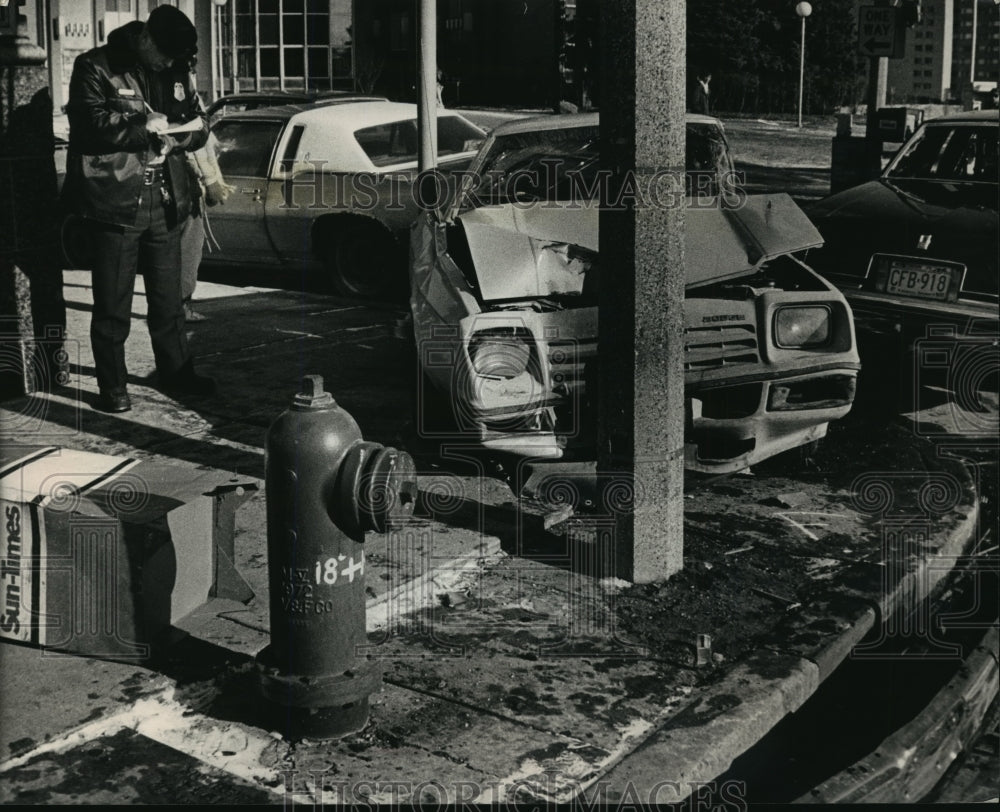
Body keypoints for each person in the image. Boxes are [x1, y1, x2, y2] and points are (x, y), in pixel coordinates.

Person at [63, 5, 214, 413]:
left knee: (169, 301)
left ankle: (178, 372)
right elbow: (89, 123)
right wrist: (141, 130)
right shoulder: (95, 65)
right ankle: (112, 386)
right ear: (145, 39)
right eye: (163, 55)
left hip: (165, 199)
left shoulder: (176, 67)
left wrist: (180, 139)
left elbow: (199, 124)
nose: (168, 64)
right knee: (113, 304)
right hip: (115, 200)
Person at [179, 132, 233, 322]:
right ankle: (182, 307)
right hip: (187, 188)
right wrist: (211, 181)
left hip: (181, 186)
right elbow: (198, 150)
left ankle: (179, 306)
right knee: (189, 252)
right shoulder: (188, 108)